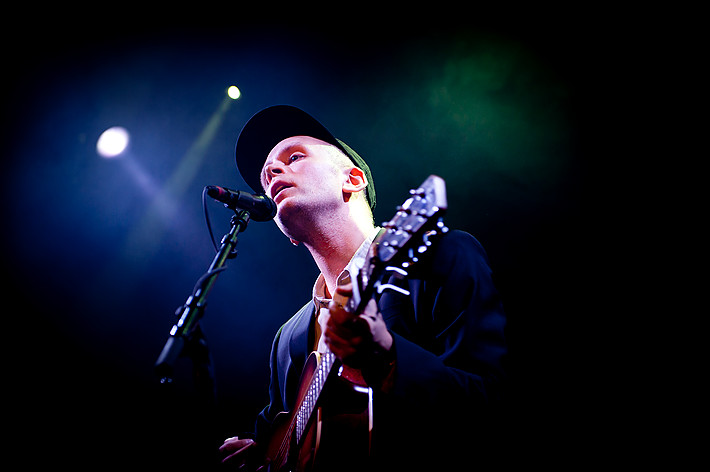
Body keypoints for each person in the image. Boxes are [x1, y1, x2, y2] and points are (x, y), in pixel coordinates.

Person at [219, 105, 507, 471]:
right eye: (265, 176)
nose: (273, 171)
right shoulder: (287, 339)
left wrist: (388, 357)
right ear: (287, 234)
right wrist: (257, 455)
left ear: (353, 179)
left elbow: (490, 402)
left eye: (294, 157)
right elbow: (275, 442)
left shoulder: (441, 258)